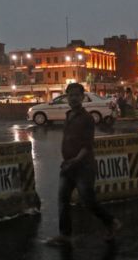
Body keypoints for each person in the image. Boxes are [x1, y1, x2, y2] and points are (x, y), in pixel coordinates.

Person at [47, 83, 120, 246]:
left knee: (88, 201)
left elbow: (88, 145)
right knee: (63, 199)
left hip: (83, 167)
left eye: (76, 95)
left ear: (82, 97)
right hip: (68, 166)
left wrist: (75, 160)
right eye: (70, 95)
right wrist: (68, 161)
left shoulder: (87, 118)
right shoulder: (68, 115)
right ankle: (65, 235)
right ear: (67, 97)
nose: (73, 98)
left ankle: (111, 222)